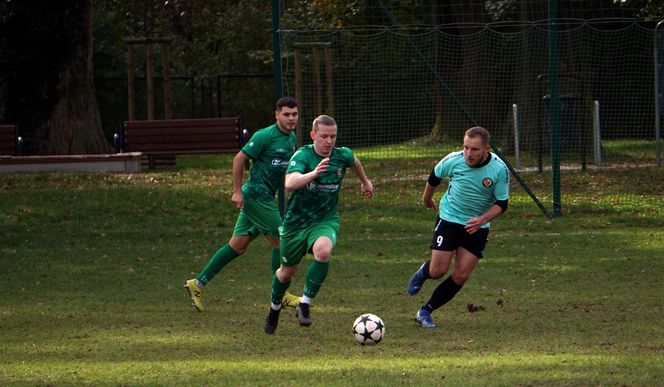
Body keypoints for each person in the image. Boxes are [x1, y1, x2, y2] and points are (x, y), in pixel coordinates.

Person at [184, 97, 303, 311]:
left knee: (237, 246)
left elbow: (279, 169)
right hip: (256, 197)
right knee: (280, 240)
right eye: (286, 114)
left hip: (265, 197)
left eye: (294, 114)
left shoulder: (290, 137)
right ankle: (282, 293)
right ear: (277, 115)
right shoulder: (264, 136)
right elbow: (239, 159)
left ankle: (197, 283)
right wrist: (237, 191)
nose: (291, 118)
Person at [264, 114, 374, 334]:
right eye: (324, 136)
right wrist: (314, 173)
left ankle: (304, 303)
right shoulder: (303, 155)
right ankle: (274, 308)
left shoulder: (342, 155)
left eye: (333, 136)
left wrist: (365, 182)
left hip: (325, 220)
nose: (329, 141)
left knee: (323, 252)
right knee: (286, 272)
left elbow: (354, 161)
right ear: (313, 135)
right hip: (296, 224)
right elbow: (289, 183)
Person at [407, 126, 509, 328]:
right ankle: (424, 272)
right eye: (466, 148)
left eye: (474, 150)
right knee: (438, 271)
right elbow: (434, 177)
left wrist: (482, 220)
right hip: (449, 218)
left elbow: (502, 203)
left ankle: (425, 311)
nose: (468, 154)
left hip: (476, 225)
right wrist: (427, 200)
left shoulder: (499, 169)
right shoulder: (453, 160)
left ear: (487, 148)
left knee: (461, 274)